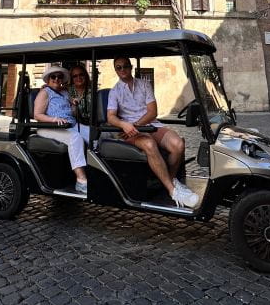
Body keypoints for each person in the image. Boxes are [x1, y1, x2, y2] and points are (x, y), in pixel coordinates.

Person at [106, 56, 199, 208]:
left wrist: (136, 125)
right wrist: (124, 125)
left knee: (178, 144)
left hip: (149, 125)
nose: (122, 70)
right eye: (118, 67)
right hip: (130, 132)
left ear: (131, 67)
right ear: (115, 70)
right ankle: (172, 191)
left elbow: (152, 111)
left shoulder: (143, 84)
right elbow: (110, 117)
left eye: (125, 66)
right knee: (149, 144)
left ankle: (171, 179)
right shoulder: (114, 92)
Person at [33, 65, 88, 194]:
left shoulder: (64, 92)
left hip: (68, 125)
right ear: (48, 79)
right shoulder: (44, 92)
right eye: (53, 76)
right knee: (75, 138)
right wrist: (53, 119)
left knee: (94, 134)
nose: (57, 79)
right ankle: (81, 180)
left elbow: (71, 113)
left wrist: (74, 105)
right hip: (49, 127)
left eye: (60, 76)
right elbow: (37, 115)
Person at [68, 64, 93, 144]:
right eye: (75, 76)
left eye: (81, 74)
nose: (78, 78)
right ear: (71, 78)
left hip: (91, 125)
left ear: (85, 75)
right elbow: (54, 87)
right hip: (72, 126)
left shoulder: (92, 91)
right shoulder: (67, 91)